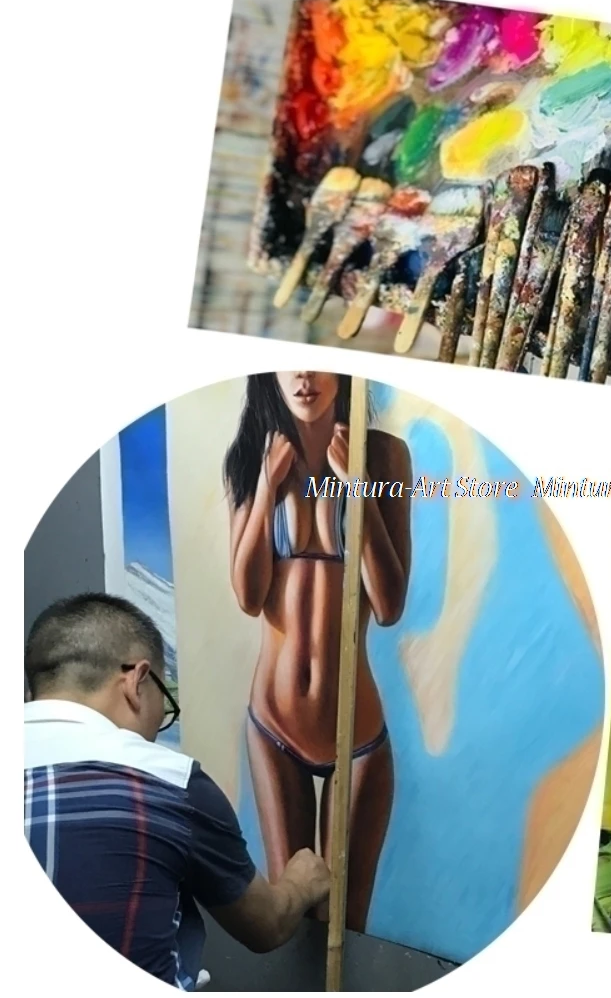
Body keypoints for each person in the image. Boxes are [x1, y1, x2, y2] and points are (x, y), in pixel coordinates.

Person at [23, 593, 332, 990]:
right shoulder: (168, 781)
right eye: (165, 703)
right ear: (136, 681)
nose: (157, 726)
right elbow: (265, 925)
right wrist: (301, 884)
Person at [225, 371, 411, 932]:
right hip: (274, 725)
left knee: (343, 928)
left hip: (357, 735)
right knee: (291, 923)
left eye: (317, 362)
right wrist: (265, 490)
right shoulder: (250, 456)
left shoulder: (383, 457)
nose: (304, 376)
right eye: (291, 363)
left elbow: (389, 604)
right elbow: (248, 596)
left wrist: (360, 491)